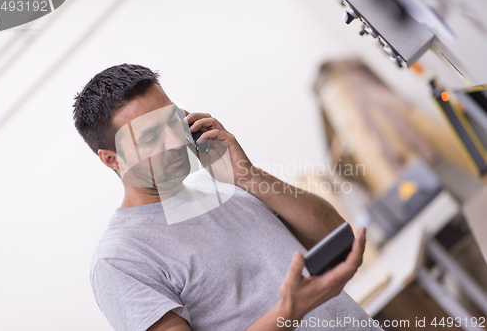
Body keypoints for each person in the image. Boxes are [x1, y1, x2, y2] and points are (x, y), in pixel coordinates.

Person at [73, 63, 383, 331]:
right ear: (112, 159)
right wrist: (289, 312)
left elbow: (336, 236)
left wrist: (249, 176)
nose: (174, 141)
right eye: (151, 137)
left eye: (173, 121)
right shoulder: (119, 259)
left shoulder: (226, 183)